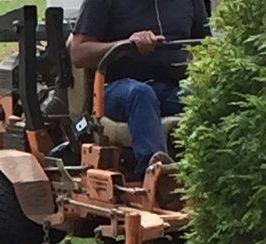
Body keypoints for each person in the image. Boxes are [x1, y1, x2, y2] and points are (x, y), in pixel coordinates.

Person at [71, 0, 210, 179]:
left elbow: (206, 46)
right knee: (141, 93)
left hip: (172, 87)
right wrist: (126, 44)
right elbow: (78, 53)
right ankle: (157, 177)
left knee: (208, 95)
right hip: (117, 90)